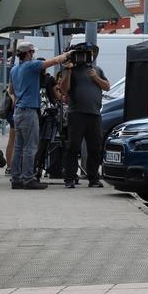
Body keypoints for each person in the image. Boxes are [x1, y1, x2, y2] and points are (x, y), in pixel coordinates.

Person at [9, 42, 70, 190]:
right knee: (30, 147)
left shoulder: (14, 69)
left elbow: (11, 90)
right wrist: (68, 55)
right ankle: (28, 179)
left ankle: (16, 178)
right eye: (32, 52)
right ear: (28, 53)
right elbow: (54, 61)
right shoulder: (31, 65)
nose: (33, 54)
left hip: (18, 110)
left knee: (18, 147)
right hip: (29, 111)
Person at [59, 46, 111, 188]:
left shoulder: (97, 70)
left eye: (86, 54)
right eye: (80, 55)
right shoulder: (71, 70)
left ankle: (93, 178)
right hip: (77, 114)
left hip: (95, 114)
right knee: (73, 146)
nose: (83, 57)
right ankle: (70, 178)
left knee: (95, 147)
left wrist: (95, 78)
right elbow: (64, 90)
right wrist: (68, 71)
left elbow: (107, 87)